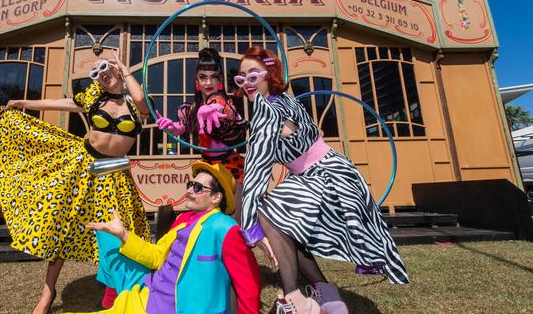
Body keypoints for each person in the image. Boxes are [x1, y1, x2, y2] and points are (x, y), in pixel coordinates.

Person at [236, 46, 409, 314]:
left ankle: (294, 300)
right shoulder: (284, 100)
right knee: (291, 227)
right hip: (333, 171)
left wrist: (249, 228)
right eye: (241, 78)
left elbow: (257, 168)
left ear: (269, 73)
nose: (246, 83)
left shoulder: (268, 110)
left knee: (269, 214)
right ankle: (328, 296)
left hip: (323, 176)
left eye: (252, 75)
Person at [0, 50, 150, 314]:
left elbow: (141, 99)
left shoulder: (135, 103)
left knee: (122, 230)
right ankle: (47, 293)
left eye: (104, 69)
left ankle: (124, 289)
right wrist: (23, 102)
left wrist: (124, 68)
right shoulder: (93, 98)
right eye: (96, 75)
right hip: (83, 166)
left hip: (115, 174)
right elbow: (61, 103)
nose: (102, 76)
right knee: (63, 228)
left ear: (115, 68)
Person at [82, 161, 261, 314]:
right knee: (106, 236)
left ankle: (112, 299)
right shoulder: (183, 219)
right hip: (149, 292)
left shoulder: (224, 228)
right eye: (190, 184)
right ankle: (111, 297)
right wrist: (123, 234)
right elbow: (157, 256)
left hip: (174, 307)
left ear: (216, 197)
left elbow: (248, 285)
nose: (190, 190)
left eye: (198, 188)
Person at [154, 47, 248, 221]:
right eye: (203, 77)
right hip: (207, 168)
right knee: (207, 218)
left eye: (213, 76)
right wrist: (172, 127)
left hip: (231, 168)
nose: (208, 82)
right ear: (197, 81)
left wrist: (211, 108)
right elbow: (182, 127)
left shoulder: (221, 101)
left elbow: (222, 108)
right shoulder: (191, 110)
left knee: (234, 220)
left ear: (220, 81)